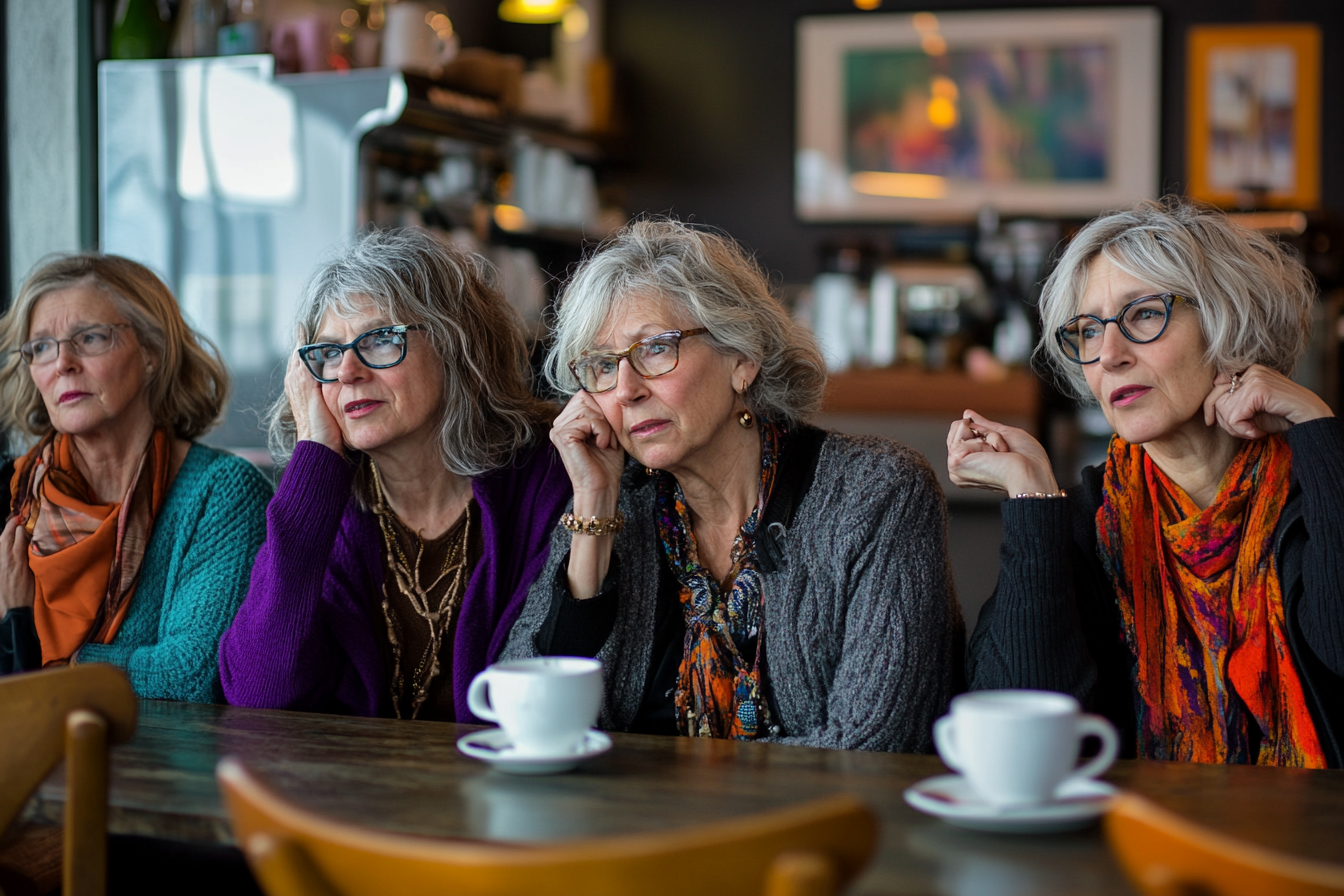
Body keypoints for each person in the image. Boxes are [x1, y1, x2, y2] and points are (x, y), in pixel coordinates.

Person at [502, 219, 963, 752]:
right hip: (626, 830)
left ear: (742, 358)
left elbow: (874, 747)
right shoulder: (610, 504)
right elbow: (529, 723)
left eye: (655, 349)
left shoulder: (876, 493)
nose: (625, 390)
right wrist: (595, 515)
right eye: (603, 366)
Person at [950, 197, 1344, 767]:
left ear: (1224, 319)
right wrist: (1034, 498)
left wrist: (1316, 425)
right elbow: (1019, 744)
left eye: (1143, 314)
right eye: (1086, 331)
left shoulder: (1318, 489)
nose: (1108, 355)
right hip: (1134, 844)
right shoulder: (1087, 520)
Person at [219, 228, 572, 721]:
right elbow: (261, 692)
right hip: (365, 792)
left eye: (381, 340)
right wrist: (316, 449)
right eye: (327, 353)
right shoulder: (323, 501)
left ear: (456, 345)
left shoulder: (547, 479)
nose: (347, 372)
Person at [0, 254, 271, 702]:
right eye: (42, 347)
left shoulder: (221, 494)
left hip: (158, 768)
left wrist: (20, 626)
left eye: (89, 338)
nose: (62, 362)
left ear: (151, 354)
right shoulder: (11, 494)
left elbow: (188, 675)